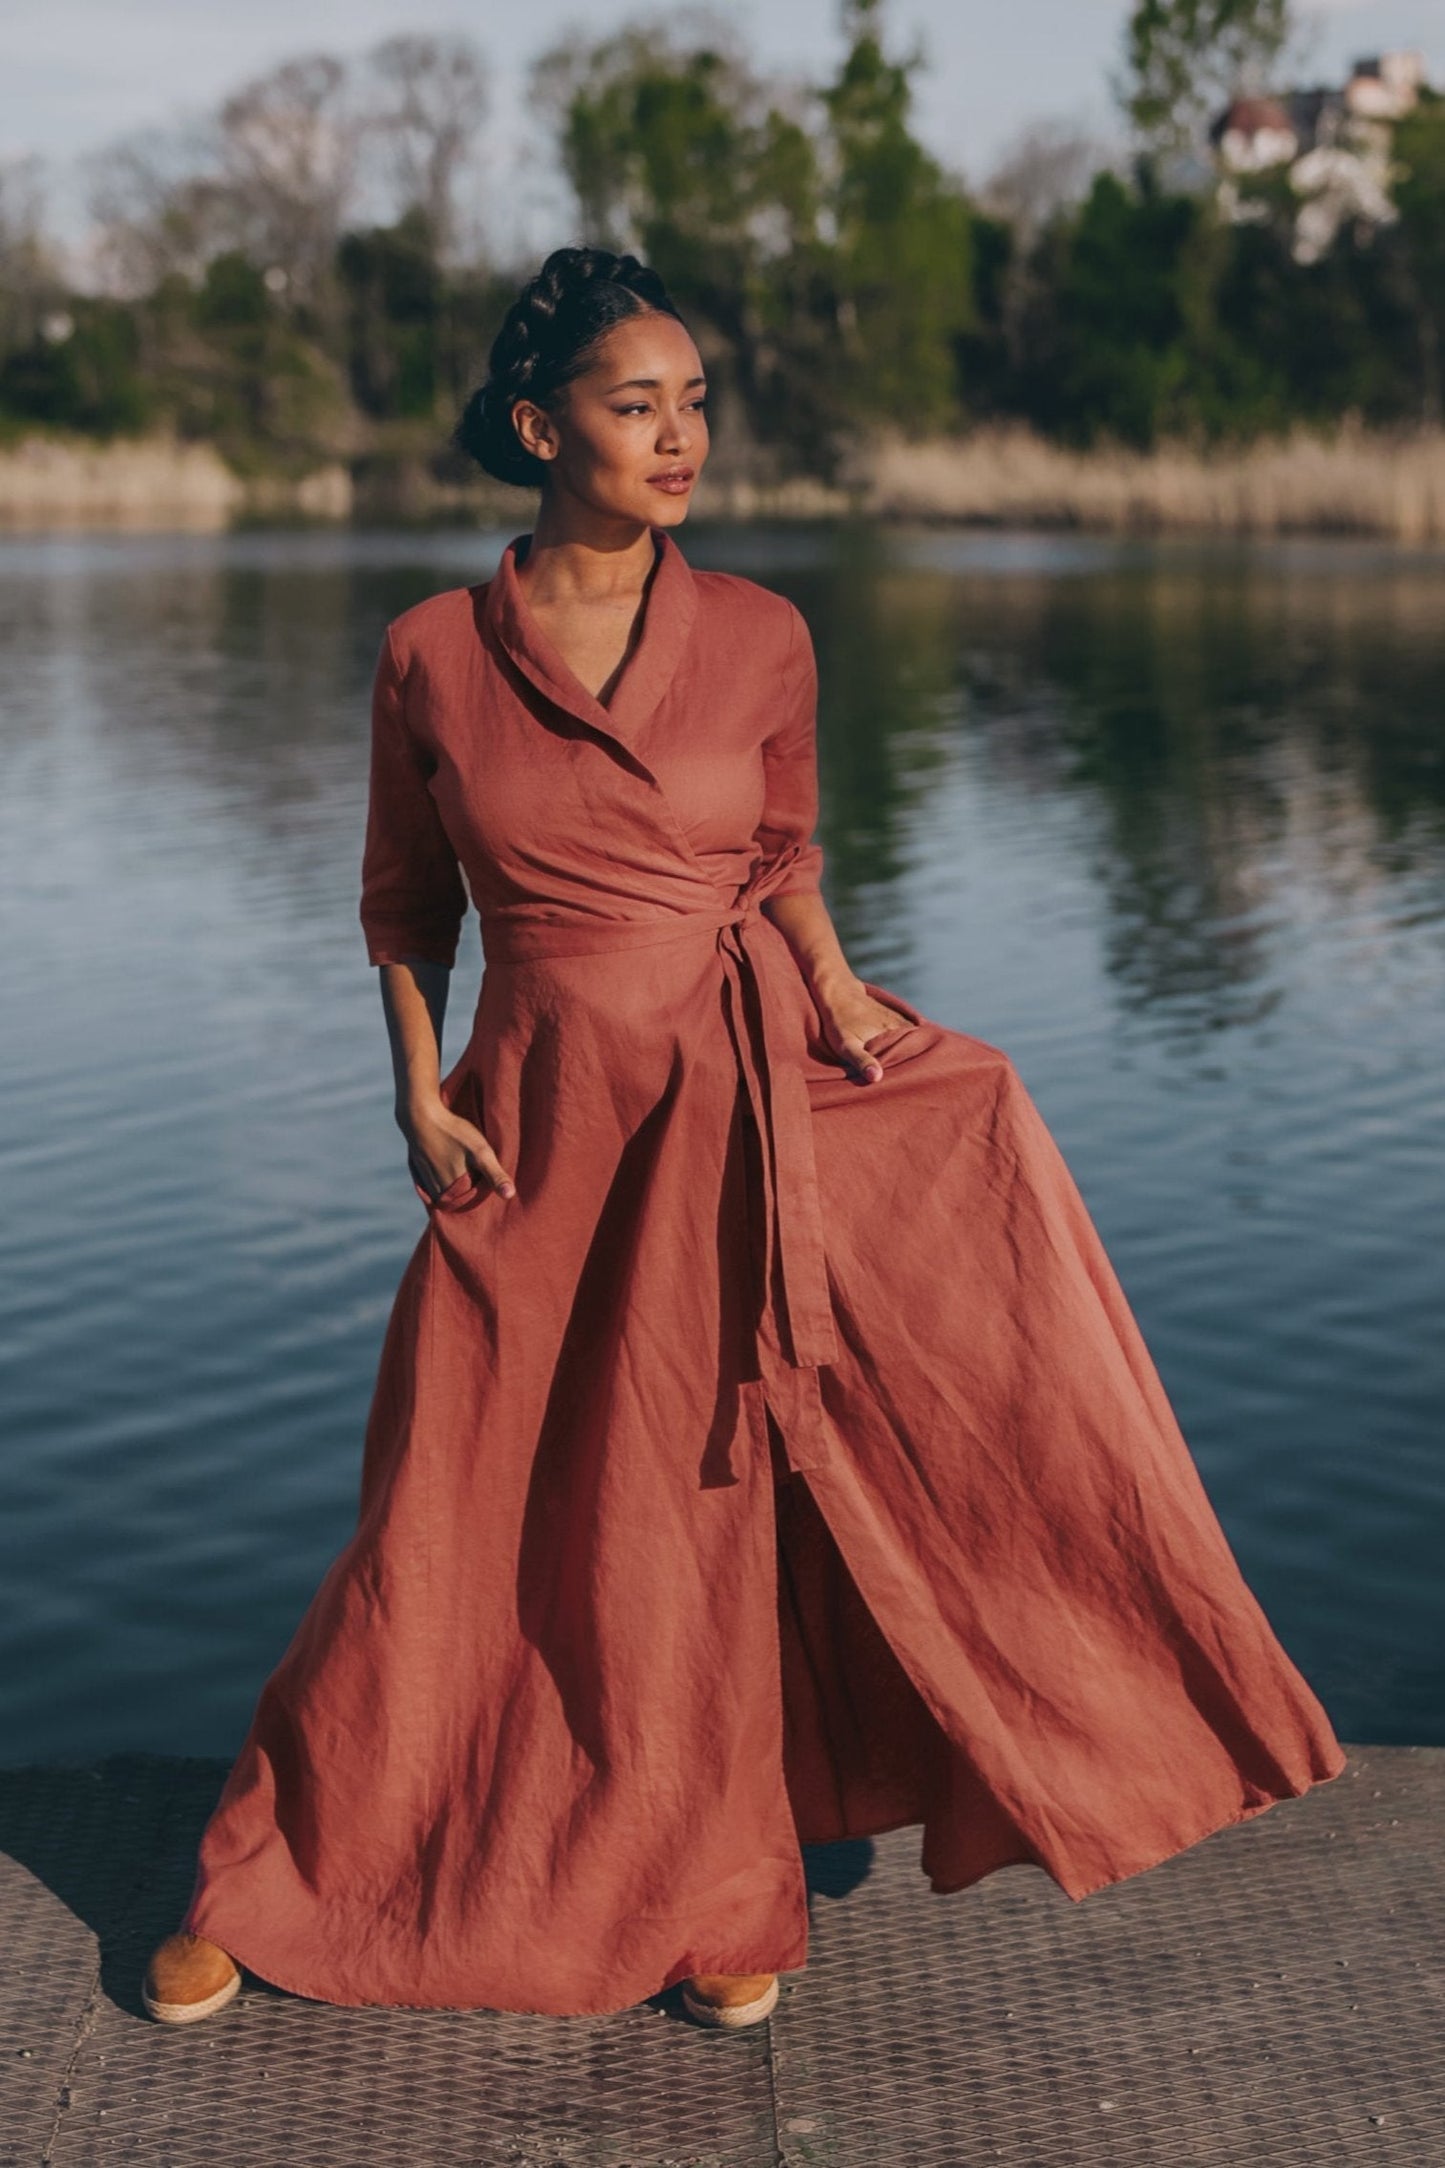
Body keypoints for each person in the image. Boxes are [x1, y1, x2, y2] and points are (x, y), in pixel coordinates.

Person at [143, 246, 1346, 2031]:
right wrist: (413, 1087)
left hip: (732, 1103)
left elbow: (775, 860)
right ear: (539, 425)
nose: (679, 434)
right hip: (531, 1122)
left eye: (696, 402)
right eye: (639, 405)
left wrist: (850, 1004)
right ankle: (288, 1870)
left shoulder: (766, 634)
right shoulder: (425, 657)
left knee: (690, 1510)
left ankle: (718, 1881)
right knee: (440, 1502)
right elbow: (404, 906)